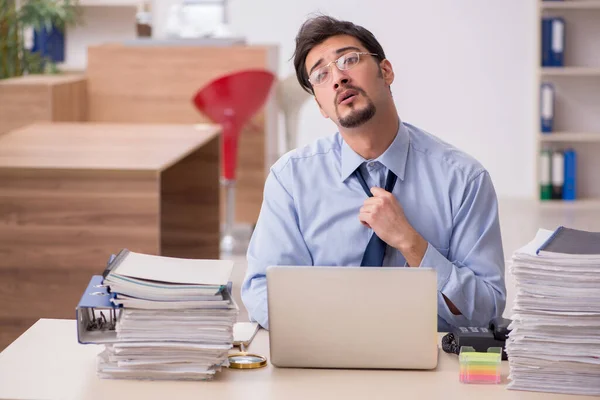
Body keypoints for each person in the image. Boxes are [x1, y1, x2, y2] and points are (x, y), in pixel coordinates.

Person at [241, 15, 506, 332]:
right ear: (322, 108)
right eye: (321, 75)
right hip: (325, 363)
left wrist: (412, 245)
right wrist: (337, 334)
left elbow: (487, 310)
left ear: (386, 71)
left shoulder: (464, 179)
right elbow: (261, 291)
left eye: (349, 59)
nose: (338, 78)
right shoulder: (291, 180)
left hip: (430, 367)